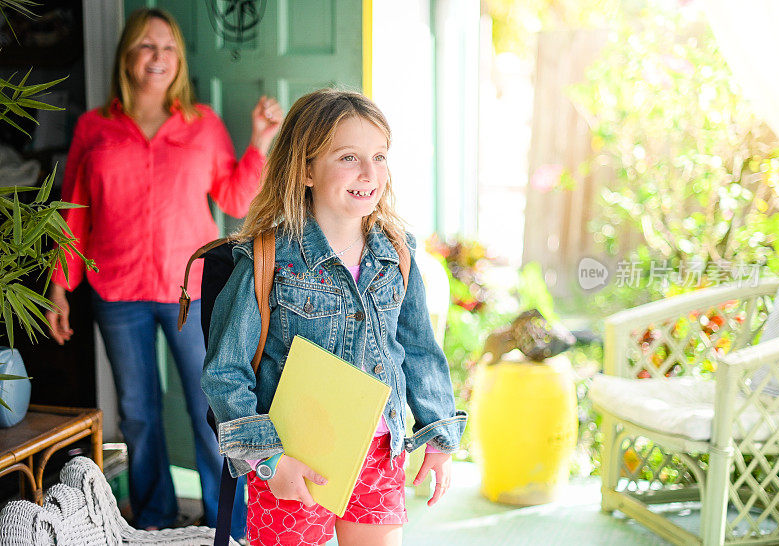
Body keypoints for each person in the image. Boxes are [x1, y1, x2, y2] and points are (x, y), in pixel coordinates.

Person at [43, 8, 282, 539]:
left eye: (168, 48)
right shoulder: (94, 127)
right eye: (147, 47)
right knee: (138, 413)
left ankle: (229, 525)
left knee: (211, 408)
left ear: (180, 62)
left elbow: (235, 197)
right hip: (117, 290)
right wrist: (60, 287)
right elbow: (74, 209)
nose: (158, 57)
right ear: (126, 58)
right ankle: (153, 521)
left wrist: (260, 142)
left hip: (191, 292)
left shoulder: (202, 125)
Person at [201, 89, 467, 545]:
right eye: (349, 157)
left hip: (379, 453)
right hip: (294, 459)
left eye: (379, 157)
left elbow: (420, 350)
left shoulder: (396, 252)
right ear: (305, 168)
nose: (369, 173)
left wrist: (439, 436)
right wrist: (269, 461)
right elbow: (226, 372)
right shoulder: (267, 260)